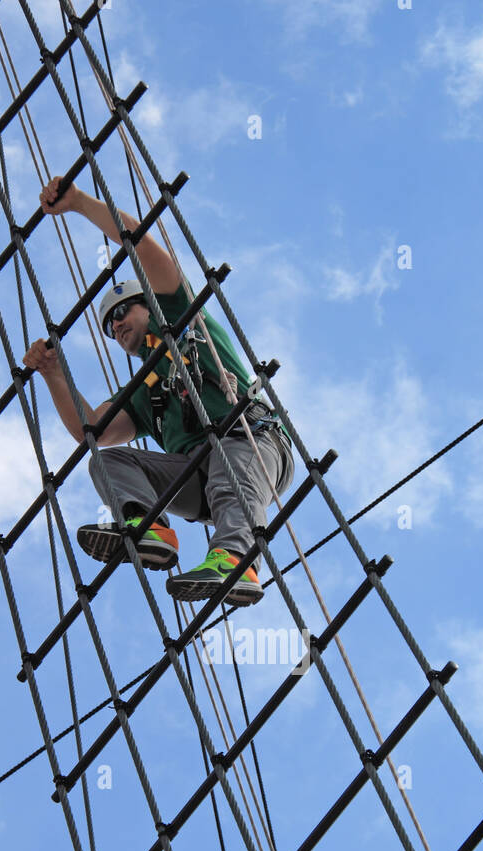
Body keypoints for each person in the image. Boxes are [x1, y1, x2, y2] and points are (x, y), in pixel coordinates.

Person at [22, 176, 293, 607]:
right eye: (109, 326)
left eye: (123, 311)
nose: (116, 325)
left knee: (227, 463)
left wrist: (78, 203)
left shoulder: (183, 317)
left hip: (250, 442)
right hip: (196, 476)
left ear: (150, 304)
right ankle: (149, 527)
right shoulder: (145, 390)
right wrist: (53, 373)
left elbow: (141, 243)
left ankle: (238, 560)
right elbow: (90, 427)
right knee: (107, 461)